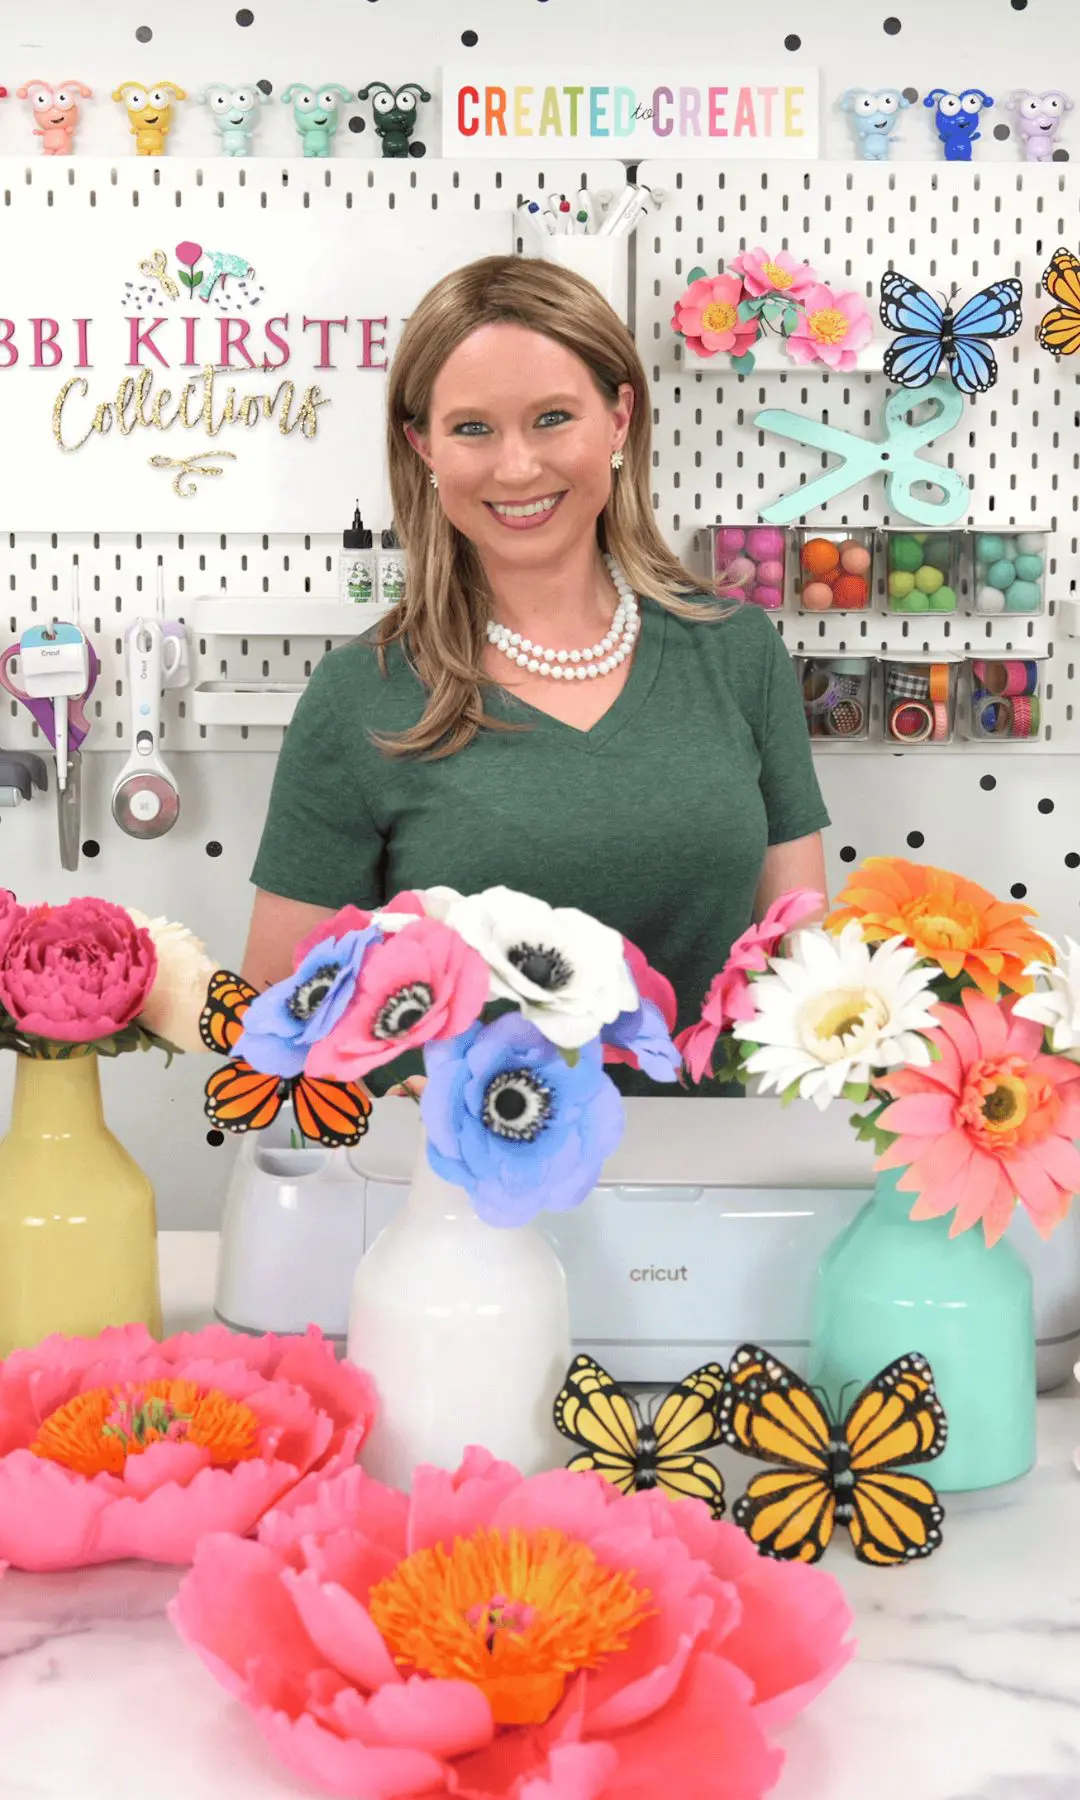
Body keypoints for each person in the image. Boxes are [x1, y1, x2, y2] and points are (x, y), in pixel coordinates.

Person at [242, 253, 830, 1096]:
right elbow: (277, 1004)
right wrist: (389, 1084)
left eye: (553, 418)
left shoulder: (736, 651)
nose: (515, 468)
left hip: (711, 1187)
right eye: (473, 428)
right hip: (459, 1204)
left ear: (619, 419)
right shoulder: (360, 697)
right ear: (424, 447)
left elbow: (801, 958)